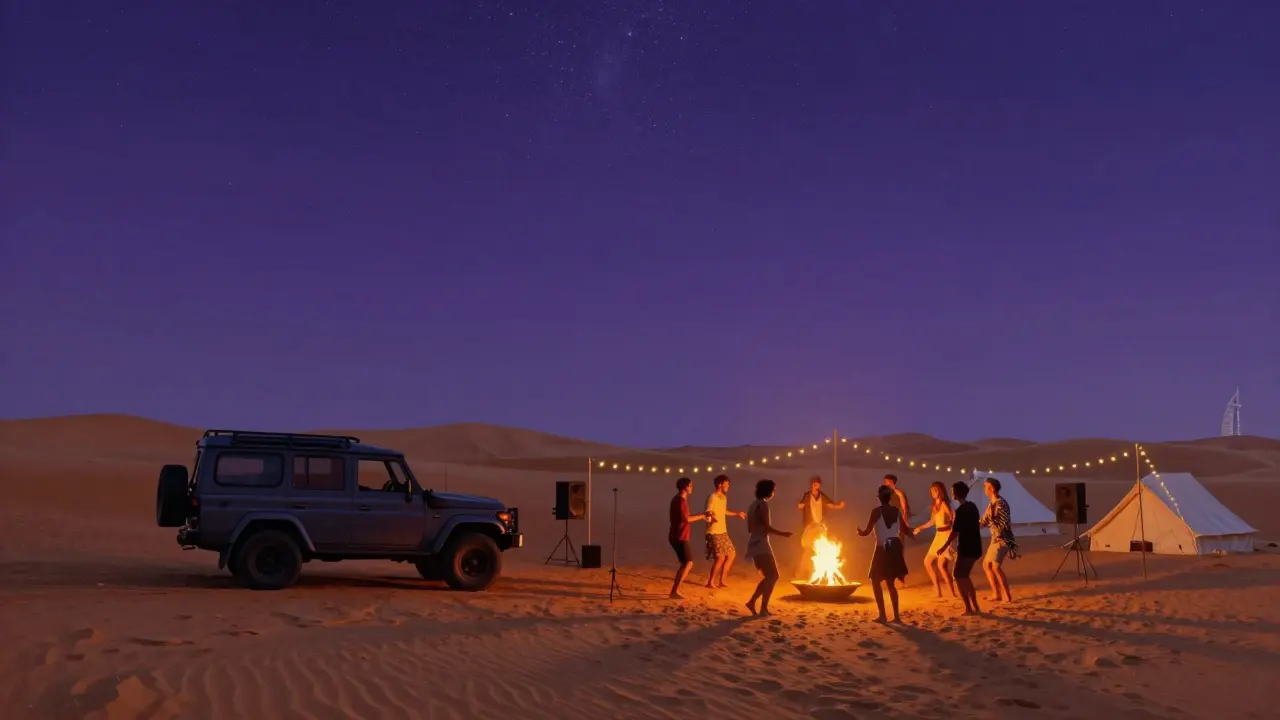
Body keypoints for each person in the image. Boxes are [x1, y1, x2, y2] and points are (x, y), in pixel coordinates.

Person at [857, 485, 911, 623]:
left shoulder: (876, 512)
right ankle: (896, 617)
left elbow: (867, 532)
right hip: (894, 547)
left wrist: (859, 532)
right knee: (890, 583)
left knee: (875, 581)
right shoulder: (896, 511)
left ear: (879, 497)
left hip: (882, 548)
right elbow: (905, 529)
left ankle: (882, 615)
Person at [745, 479, 792, 617]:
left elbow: (749, 528)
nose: (774, 492)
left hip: (753, 543)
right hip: (761, 544)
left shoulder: (753, 505)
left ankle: (753, 602)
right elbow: (767, 527)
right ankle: (763, 608)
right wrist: (783, 534)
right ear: (768, 491)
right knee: (773, 576)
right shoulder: (763, 505)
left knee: (769, 576)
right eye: (774, 490)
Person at [936, 481, 982, 615]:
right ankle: (975, 606)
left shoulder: (961, 511)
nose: (951, 492)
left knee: (957, 575)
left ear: (956, 493)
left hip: (966, 547)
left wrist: (943, 546)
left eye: (952, 490)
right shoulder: (972, 506)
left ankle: (968, 608)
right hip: (976, 546)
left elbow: (955, 532)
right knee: (965, 576)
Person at [913, 481, 958, 598]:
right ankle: (937, 590)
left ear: (940, 491)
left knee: (941, 566)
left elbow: (954, 517)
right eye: (932, 491)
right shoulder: (934, 506)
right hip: (938, 536)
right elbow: (932, 522)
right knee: (927, 562)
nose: (933, 492)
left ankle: (952, 593)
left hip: (947, 535)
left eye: (935, 490)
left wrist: (954, 531)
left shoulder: (945, 504)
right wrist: (920, 528)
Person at [668, 477, 712, 599]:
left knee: (685, 563)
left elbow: (685, 517)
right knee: (688, 563)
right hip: (679, 536)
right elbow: (686, 519)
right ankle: (674, 591)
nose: (692, 487)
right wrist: (703, 515)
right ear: (686, 487)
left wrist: (702, 516)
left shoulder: (680, 500)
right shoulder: (680, 501)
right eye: (691, 485)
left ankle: (675, 590)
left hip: (679, 535)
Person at [978, 476, 1018, 603]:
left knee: (995, 567)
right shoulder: (992, 504)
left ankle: (1007, 596)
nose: (984, 488)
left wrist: (1009, 543)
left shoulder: (1001, 503)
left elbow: (1005, 523)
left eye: (986, 486)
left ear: (992, 488)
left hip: (1002, 539)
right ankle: (996, 594)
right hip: (995, 539)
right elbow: (983, 521)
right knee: (986, 565)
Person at [797, 475, 845, 579]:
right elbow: (800, 505)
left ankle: (816, 573)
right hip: (810, 526)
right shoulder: (807, 495)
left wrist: (839, 506)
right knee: (808, 549)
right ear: (812, 485)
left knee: (819, 548)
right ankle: (803, 573)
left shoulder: (821, 495)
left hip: (819, 526)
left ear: (819, 485)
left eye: (817, 483)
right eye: (814, 483)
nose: (816, 485)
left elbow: (830, 505)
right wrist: (800, 505)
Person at [704, 474, 747, 588]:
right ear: (720, 484)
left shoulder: (723, 498)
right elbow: (708, 511)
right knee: (721, 557)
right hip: (713, 531)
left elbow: (724, 511)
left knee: (732, 554)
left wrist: (737, 513)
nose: (728, 486)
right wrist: (711, 516)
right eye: (726, 484)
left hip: (723, 531)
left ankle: (722, 581)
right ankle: (710, 582)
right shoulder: (712, 497)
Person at [882, 474, 912, 587]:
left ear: (892, 482)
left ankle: (901, 579)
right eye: (884, 481)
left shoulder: (899, 493)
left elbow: (904, 510)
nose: (885, 483)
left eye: (887, 481)